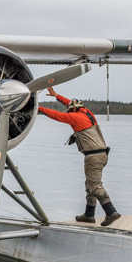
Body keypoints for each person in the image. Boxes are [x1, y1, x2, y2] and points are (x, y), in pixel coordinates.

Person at [38, 86, 121, 226]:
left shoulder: (75, 117)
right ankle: (89, 214)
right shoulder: (86, 112)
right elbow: (69, 103)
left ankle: (111, 212)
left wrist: (38, 108)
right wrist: (56, 95)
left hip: (93, 156)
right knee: (89, 184)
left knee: (94, 185)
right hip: (101, 154)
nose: (68, 111)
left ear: (73, 110)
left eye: (70, 109)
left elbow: (57, 115)